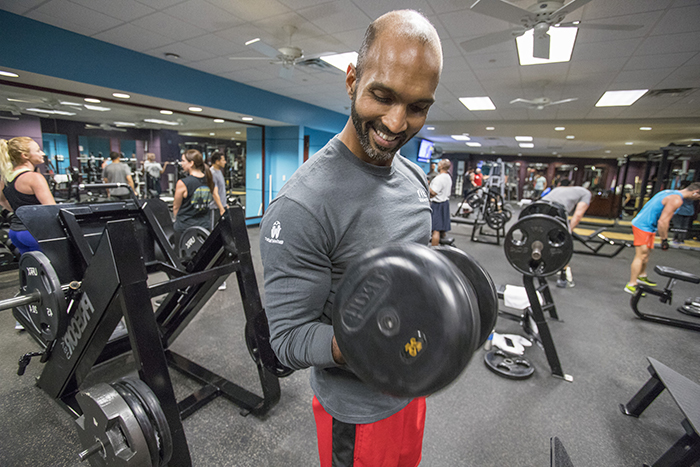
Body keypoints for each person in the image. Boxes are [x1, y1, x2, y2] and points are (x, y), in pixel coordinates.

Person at [259, 10, 442, 467]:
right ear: (351, 80)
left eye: (417, 107)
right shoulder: (303, 205)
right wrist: (368, 338)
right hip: (358, 414)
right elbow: (286, 338)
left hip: (411, 388)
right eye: (383, 96)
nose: (398, 123)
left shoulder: (414, 178)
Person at [0, 137, 57, 330]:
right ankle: (58, 316)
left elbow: (6, 204)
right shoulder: (34, 177)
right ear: (25, 156)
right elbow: (51, 210)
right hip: (35, 233)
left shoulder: (7, 178)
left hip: (16, 232)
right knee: (54, 275)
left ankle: (23, 317)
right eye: (38, 150)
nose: (42, 153)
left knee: (32, 275)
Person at [624, 182, 700, 295]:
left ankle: (642, 276)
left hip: (649, 225)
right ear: (695, 193)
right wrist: (664, 240)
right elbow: (663, 221)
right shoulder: (676, 200)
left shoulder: (668, 191)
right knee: (641, 254)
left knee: (647, 252)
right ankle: (631, 284)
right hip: (643, 226)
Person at [541, 180, 592, 288]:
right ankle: (562, 277)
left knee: (541, 237)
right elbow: (578, 215)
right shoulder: (587, 193)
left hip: (539, 208)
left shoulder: (559, 189)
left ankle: (536, 267)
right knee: (564, 243)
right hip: (557, 210)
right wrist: (568, 232)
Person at [172, 149, 224, 238]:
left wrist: (176, 220)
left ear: (191, 163)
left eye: (183, 161)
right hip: (204, 228)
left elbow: (176, 207)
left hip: (185, 229)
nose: (182, 163)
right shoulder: (209, 180)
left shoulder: (183, 183)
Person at [430, 159, 452, 246]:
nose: (437, 166)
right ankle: (443, 250)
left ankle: (433, 253)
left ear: (442, 166)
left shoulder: (439, 178)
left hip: (438, 205)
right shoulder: (447, 176)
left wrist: (425, 188)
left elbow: (433, 193)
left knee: (435, 230)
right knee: (442, 230)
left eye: (438, 164)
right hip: (445, 204)